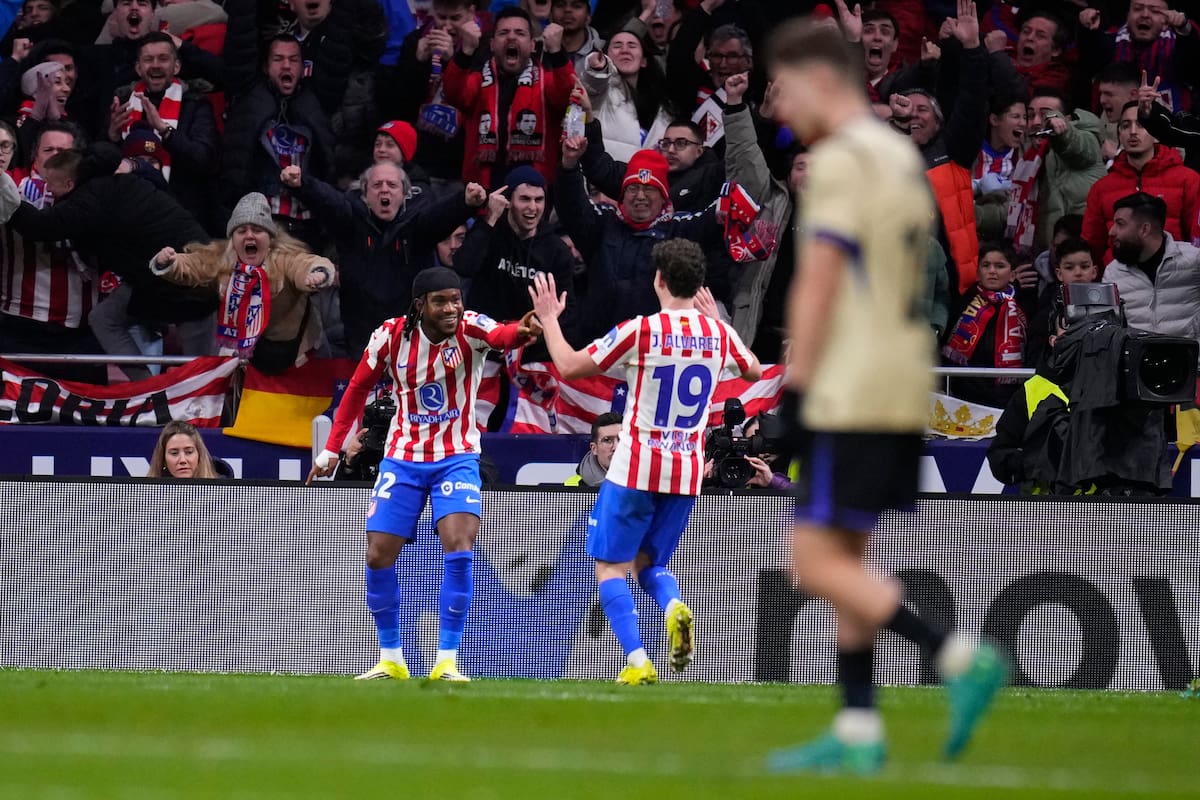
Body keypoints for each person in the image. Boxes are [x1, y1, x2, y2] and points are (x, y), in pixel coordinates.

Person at [764, 15, 1006, 775]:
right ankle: (860, 728)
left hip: (849, 382)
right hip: (903, 377)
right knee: (848, 555)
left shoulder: (840, 159)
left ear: (823, 79)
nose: (778, 107)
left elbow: (821, 278)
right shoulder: (902, 157)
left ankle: (958, 655)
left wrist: (795, 391)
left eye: (783, 87)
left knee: (813, 563)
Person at [529, 239, 762, 685]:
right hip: (687, 470)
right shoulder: (719, 334)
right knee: (649, 564)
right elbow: (752, 370)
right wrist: (717, 324)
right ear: (699, 286)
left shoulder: (643, 330)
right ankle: (674, 606)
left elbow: (570, 365)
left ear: (658, 280)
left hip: (637, 465)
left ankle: (638, 662)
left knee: (610, 568)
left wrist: (550, 321)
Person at [308, 267, 542, 682]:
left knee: (459, 544)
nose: (452, 308)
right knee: (378, 553)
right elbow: (358, 388)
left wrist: (522, 331)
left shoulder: (470, 328)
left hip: (457, 456)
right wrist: (330, 450)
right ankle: (391, 656)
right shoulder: (390, 338)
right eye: (442, 301)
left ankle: (447, 659)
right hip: (402, 458)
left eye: (456, 299)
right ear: (420, 306)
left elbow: (502, 336)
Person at [149, 192, 337, 373]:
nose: (249, 236)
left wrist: (318, 273)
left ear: (270, 238)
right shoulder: (223, 259)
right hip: (244, 353)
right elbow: (194, 264)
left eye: (257, 230)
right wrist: (170, 262)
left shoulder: (284, 258)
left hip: (294, 352)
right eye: (241, 231)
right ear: (233, 239)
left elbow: (306, 264)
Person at [147, 419, 220, 479]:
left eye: (189, 452)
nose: (182, 460)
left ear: (199, 455)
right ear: (163, 460)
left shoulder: (219, 492)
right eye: (174, 453)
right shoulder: (148, 493)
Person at [564, 411, 620, 487]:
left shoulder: (641, 484)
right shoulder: (572, 487)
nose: (616, 447)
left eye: (621, 439)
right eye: (607, 440)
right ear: (594, 449)